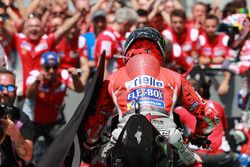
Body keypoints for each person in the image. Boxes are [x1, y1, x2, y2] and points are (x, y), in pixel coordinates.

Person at [84, 27, 220, 166]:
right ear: (160, 50)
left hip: (123, 137)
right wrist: (199, 136)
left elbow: (95, 124)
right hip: (168, 137)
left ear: (128, 50)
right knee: (195, 163)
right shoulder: (176, 77)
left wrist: (89, 144)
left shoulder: (112, 79)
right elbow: (210, 117)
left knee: (94, 163)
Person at [23, 51, 84, 163]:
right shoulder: (34, 75)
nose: (51, 71)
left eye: (54, 67)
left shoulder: (63, 75)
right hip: (33, 122)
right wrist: (37, 81)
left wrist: (75, 77)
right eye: (47, 67)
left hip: (53, 123)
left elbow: (79, 89)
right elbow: (28, 94)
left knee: (63, 148)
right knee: (25, 152)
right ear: (42, 67)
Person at [175, 65, 240, 167]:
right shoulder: (217, 106)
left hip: (198, 155)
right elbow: (226, 133)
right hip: (222, 156)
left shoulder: (179, 111)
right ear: (201, 90)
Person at [0, 68, 34, 166]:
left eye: (10, 88)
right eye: (1, 87)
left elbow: (28, 156)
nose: (5, 92)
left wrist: (15, 133)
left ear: (15, 90)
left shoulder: (22, 119)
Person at [94, 7, 138, 79]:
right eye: (129, 26)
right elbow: (102, 67)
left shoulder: (121, 37)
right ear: (125, 24)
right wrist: (107, 88)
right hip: (112, 83)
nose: (130, 29)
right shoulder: (107, 38)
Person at [198, 14, 233, 95]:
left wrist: (224, 61)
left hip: (223, 72)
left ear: (218, 26)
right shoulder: (201, 39)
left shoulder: (225, 38)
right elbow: (200, 60)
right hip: (205, 73)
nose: (210, 29)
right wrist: (214, 60)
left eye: (213, 26)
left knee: (222, 91)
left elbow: (229, 57)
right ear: (204, 27)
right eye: (208, 26)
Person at [162, 9, 199, 73]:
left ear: (185, 21)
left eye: (180, 22)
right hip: (171, 70)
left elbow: (195, 54)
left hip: (189, 69)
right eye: (175, 22)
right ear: (171, 22)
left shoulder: (193, 32)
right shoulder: (166, 34)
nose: (178, 25)